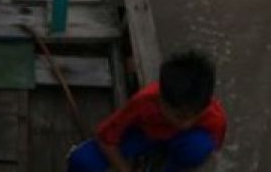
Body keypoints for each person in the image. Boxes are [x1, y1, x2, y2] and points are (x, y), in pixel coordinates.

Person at [66, 51, 227, 172]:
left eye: (194, 116)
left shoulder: (216, 117)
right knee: (81, 160)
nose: (186, 123)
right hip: (144, 134)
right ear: (160, 100)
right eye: (179, 116)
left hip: (179, 142)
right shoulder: (143, 103)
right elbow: (105, 139)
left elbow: (212, 150)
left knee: (198, 147)